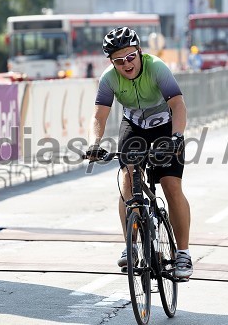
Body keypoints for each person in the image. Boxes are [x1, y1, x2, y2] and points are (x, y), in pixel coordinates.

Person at [85, 27, 193, 279]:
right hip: (134, 127)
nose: (126, 64)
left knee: (171, 185)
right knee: (126, 176)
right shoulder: (109, 78)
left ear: (140, 52)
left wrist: (176, 138)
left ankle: (184, 253)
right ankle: (131, 246)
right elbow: (98, 115)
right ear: (112, 63)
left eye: (130, 57)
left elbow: (178, 104)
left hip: (166, 127)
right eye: (118, 61)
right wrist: (94, 143)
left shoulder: (156, 67)